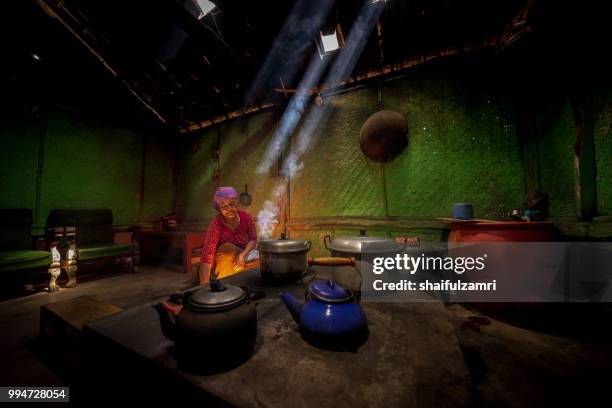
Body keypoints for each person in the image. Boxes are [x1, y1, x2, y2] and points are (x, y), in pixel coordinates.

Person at [198, 186, 259, 284]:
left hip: (244, 253)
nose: (229, 208)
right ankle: (228, 288)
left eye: (232, 203)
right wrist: (203, 286)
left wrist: (243, 255)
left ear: (237, 203)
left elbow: (253, 239)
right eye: (223, 205)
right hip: (224, 257)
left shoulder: (246, 217)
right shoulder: (216, 224)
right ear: (218, 208)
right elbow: (207, 256)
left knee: (262, 261)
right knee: (227, 248)